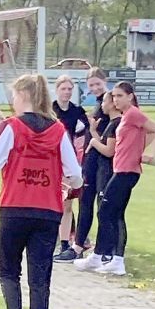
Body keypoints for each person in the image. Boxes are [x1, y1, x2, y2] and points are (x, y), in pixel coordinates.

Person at [0, 74, 82, 309]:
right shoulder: (59, 130)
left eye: (14, 95)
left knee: (8, 269)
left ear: (23, 95)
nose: (12, 101)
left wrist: (0, 147)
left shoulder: (12, 127)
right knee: (40, 278)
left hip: (15, 206)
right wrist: (67, 184)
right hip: (48, 211)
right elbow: (76, 174)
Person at [75, 82, 155, 276]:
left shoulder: (133, 114)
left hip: (126, 171)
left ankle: (105, 257)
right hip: (121, 169)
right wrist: (138, 148)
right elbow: (141, 136)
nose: (116, 100)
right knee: (113, 214)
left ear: (130, 96)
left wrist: (150, 152)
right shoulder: (126, 117)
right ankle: (111, 259)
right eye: (114, 96)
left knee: (106, 212)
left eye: (119, 96)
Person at [61, 67, 109, 262]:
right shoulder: (99, 105)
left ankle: (98, 249)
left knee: (101, 206)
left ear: (105, 81)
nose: (95, 88)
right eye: (91, 85)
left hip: (101, 161)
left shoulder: (109, 103)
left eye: (98, 84)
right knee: (86, 202)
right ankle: (80, 245)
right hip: (90, 160)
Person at [51, 75, 89, 258]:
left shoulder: (77, 112)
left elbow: (81, 139)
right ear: (57, 90)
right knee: (53, 204)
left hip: (69, 162)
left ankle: (65, 243)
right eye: (63, 89)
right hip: (51, 162)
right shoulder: (50, 111)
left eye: (69, 89)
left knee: (67, 205)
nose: (66, 92)